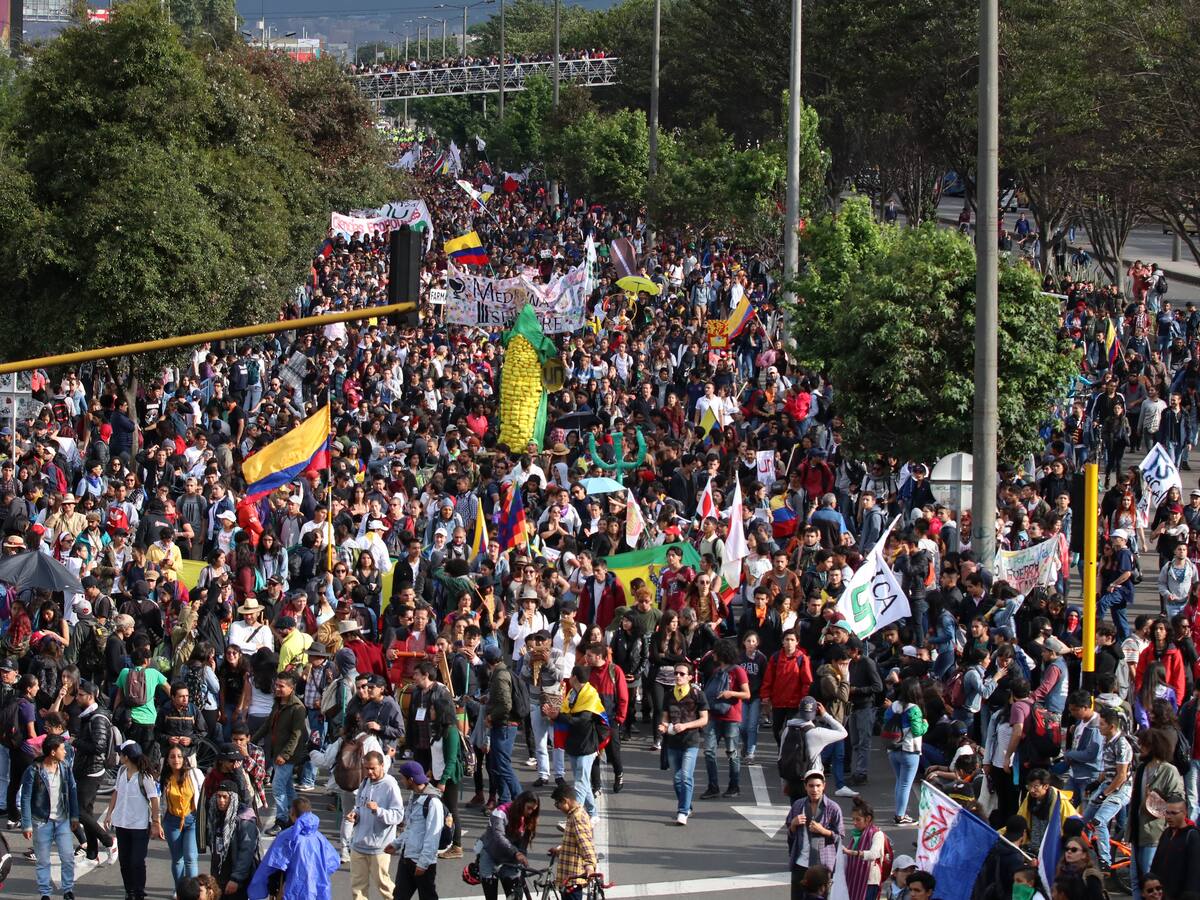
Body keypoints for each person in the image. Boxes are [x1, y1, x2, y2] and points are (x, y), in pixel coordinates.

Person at [543, 664, 606, 821]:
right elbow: (565, 713)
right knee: (582, 781)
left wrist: (559, 716)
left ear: (575, 678)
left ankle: (573, 818)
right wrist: (555, 715)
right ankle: (593, 814)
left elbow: (582, 721)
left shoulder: (591, 695)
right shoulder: (573, 693)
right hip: (574, 743)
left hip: (587, 744)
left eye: (570, 676)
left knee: (580, 783)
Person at [102, 740, 164, 900]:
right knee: (124, 861)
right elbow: (116, 792)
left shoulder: (145, 777)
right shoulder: (122, 771)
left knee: (137, 861)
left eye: (120, 753)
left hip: (140, 826)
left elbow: (155, 800)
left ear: (127, 756)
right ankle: (129, 891)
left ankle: (139, 892)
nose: (118, 756)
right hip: (121, 824)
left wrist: (156, 822)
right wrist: (109, 813)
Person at [20, 734, 79, 900]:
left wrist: (74, 816)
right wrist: (26, 824)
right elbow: (25, 797)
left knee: (67, 857)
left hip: (62, 820)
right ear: (53, 752)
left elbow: (72, 791)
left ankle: (68, 890)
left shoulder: (65, 767)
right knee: (43, 860)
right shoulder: (34, 770)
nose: (65, 752)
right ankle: (45, 893)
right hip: (41, 821)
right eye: (62, 749)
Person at [247, 796, 341, 900]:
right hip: (316, 889)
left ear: (292, 814)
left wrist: (260, 889)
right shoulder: (319, 837)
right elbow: (334, 861)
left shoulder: (287, 837)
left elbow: (271, 865)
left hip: (291, 890)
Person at [1130, 728, 1184, 900]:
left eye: (1144, 744)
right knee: (1135, 880)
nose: (1141, 748)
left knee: (1150, 880)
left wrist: (1155, 800)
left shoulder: (1169, 771)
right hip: (1137, 831)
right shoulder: (1142, 768)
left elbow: (1177, 800)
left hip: (1154, 832)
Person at [346, 749, 406, 900]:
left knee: (384, 885)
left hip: (379, 847)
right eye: (366, 768)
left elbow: (398, 816)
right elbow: (359, 805)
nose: (369, 772)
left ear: (382, 765)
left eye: (373, 768)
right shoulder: (365, 782)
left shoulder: (390, 785)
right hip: (358, 844)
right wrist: (355, 814)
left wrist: (378, 811)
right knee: (357, 888)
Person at [253, 672, 308, 836]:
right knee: (288, 788)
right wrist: (253, 739)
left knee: (277, 787)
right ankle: (300, 817)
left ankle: (282, 821)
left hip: (287, 756)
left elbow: (296, 735)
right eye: (276, 685)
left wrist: (284, 755)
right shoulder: (278, 703)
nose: (277, 688)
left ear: (291, 688)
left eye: (281, 686)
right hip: (277, 752)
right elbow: (268, 724)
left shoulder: (297, 708)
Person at [658, 658, 710, 825]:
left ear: (689, 677)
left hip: (691, 741)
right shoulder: (668, 695)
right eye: (676, 674)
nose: (678, 676)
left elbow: (704, 720)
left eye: (682, 674)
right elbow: (665, 717)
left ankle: (682, 812)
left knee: (685, 776)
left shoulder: (697, 694)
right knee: (676, 779)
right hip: (673, 743)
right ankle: (687, 806)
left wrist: (685, 726)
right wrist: (664, 726)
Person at [1082, 706, 1133, 872]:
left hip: (1121, 789)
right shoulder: (1107, 740)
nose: (1099, 727)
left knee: (1099, 821)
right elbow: (1108, 769)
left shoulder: (1122, 745)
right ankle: (1085, 853)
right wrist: (1097, 783)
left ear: (1111, 726)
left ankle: (1105, 860)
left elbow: (1121, 776)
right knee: (1085, 821)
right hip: (1107, 784)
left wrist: (1104, 795)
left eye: (1102, 724)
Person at [700, 636, 751, 799]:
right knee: (709, 751)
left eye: (715, 652)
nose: (713, 655)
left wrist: (731, 693)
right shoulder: (717, 671)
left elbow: (747, 694)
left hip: (731, 717)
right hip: (714, 715)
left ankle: (734, 786)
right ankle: (713, 786)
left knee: (731, 752)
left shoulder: (738, 670)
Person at [72, 678, 117, 863]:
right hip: (86, 768)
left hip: (93, 770)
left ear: (91, 697)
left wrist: (75, 742)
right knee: (87, 812)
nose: (77, 698)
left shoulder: (98, 718)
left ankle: (108, 840)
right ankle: (92, 853)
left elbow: (99, 746)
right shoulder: (89, 715)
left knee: (79, 811)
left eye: (81, 695)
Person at [390, 759, 446, 900]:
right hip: (407, 857)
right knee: (399, 897)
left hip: (422, 863)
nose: (402, 781)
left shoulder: (433, 803)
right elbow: (410, 827)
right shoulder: (414, 796)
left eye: (403, 778)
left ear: (411, 780)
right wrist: (396, 844)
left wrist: (423, 863)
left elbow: (433, 836)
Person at [787, 771, 844, 898]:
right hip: (800, 864)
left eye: (818, 785)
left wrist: (823, 831)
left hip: (822, 867)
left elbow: (839, 837)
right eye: (811, 786)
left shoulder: (833, 808)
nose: (815, 789)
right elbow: (790, 835)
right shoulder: (798, 805)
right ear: (805, 787)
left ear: (824, 785)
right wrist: (793, 824)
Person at [477, 790, 540, 900]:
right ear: (521, 803)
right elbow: (499, 837)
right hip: (491, 855)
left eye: (533, 810)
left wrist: (522, 855)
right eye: (528, 808)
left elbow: (524, 842)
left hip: (511, 859)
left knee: (515, 897)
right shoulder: (500, 813)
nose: (530, 812)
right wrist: (517, 853)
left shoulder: (529, 818)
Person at [161, 743, 205, 891]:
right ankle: (180, 890)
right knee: (177, 860)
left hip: (192, 819)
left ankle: (192, 892)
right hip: (172, 822)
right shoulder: (165, 777)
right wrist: (157, 822)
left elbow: (205, 796)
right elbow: (158, 801)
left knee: (191, 859)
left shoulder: (195, 774)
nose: (176, 760)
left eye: (179, 756)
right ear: (167, 760)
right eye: (172, 756)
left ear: (184, 758)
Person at [885, 678, 928, 825]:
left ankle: (900, 813)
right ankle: (900, 816)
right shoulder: (914, 709)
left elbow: (885, 721)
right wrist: (925, 725)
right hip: (910, 751)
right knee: (905, 784)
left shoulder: (893, 705)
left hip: (892, 749)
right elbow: (917, 731)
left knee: (900, 782)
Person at [483, 645, 522, 805]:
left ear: (488, 661)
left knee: (502, 765)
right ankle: (505, 800)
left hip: (504, 725)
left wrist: (491, 715)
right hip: (506, 724)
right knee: (498, 764)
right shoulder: (503, 671)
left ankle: (520, 799)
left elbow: (506, 705)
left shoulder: (500, 676)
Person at [207, 780, 258, 900]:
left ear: (233, 798)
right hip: (218, 878)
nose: (221, 800)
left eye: (225, 797)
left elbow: (246, 852)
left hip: (235, 880)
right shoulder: (216, 816)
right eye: (218, 796)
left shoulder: (245, 820)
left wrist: (236, 879)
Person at [549, 782, 598, 900]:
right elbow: (574, 843)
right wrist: (559, 850)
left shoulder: (577, 817)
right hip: (568, 878)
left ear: (565, 801)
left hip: (573, 878)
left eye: (558, 804)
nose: (558, 808)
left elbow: (585, 843)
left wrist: (590, 866)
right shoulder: (573, 815)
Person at [843, 800, 887, 900]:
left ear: (868, 818)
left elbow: (873, 854)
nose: (854, 823)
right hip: (855, 878)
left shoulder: (877, 834)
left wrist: (851, 852)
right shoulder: (856, 834)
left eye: (858, 819)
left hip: (869, 881)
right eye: (853, 819)